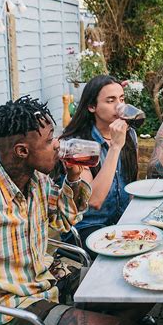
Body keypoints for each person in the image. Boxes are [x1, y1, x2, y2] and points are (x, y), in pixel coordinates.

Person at [0, 96, 145, 325]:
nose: (58, 146)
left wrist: (76, 174)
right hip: (10, 311)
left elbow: (65, 216)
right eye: (49, 141)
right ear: (21, 150)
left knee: (140, 291)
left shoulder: (35, 178)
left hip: (46, 281)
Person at [60, 75, 138, 254]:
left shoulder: (130, 134)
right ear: (91, 106)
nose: (119, 107)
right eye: (110, 101)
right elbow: (93, 201)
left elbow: (131, 186)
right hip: (87, 227)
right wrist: (115, 147)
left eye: (122, 99)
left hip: (120, 222)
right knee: (125, 250)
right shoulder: (77, 144)